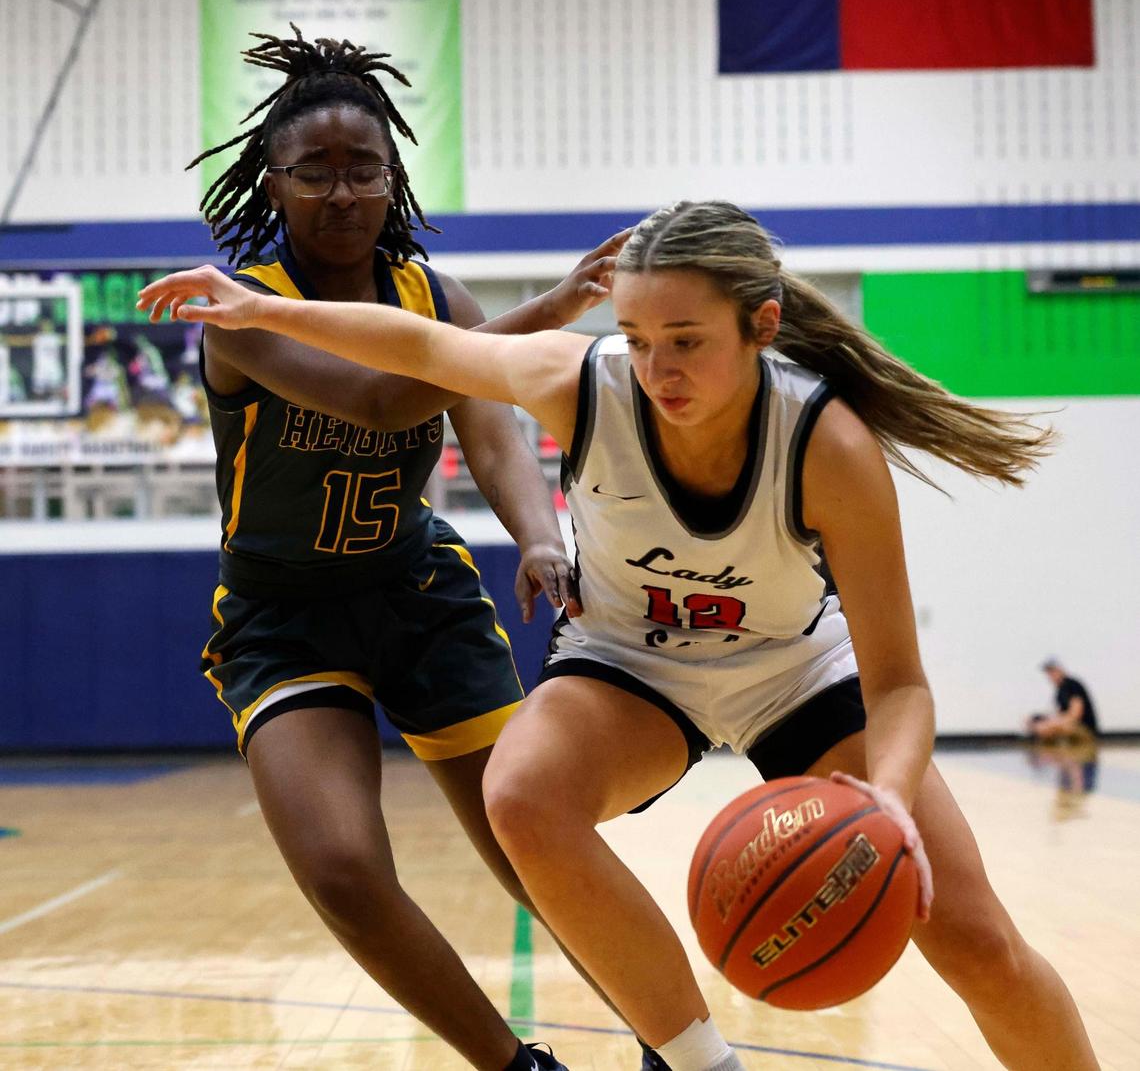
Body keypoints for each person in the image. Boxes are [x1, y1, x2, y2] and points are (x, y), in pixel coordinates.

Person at [138, 200, 1101, 1071]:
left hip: (792, 672)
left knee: (978, 941)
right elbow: (418, 350)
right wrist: (258, 308)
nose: (657, 369)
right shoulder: (582, 382)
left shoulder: (827, 443)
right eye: (637, 338)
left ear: (760, 327)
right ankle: (695, 1063)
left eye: (685, 340)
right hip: (633, 664)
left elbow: (899, 685)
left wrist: (887, 799)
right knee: (520, 795)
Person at [170, 27, 630, 1071]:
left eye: (362, 170)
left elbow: (493, 430)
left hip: (417, 592)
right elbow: (387, 399)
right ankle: (513, 1068)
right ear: (274, 185)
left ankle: (673, 1043)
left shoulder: (433, 296)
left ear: (393, 178)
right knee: (340, 869)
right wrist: (547, 315)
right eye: (315, 173)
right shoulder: (239, 314)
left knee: (536, 846)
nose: (341, 192)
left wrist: (541, 537)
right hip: (283, 613)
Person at [1029, 659, 1100, 741]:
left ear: (1060, 670)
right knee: (1036, 723)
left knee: (1047, 728)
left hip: (1084, 728)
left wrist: (1050, 724)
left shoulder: (1072, 685)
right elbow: (1061, 714)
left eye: (1052, 671)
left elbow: (1076, 714)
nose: (1050, 676)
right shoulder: (1059, 691)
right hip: (1072, 726)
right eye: (1048, 673)